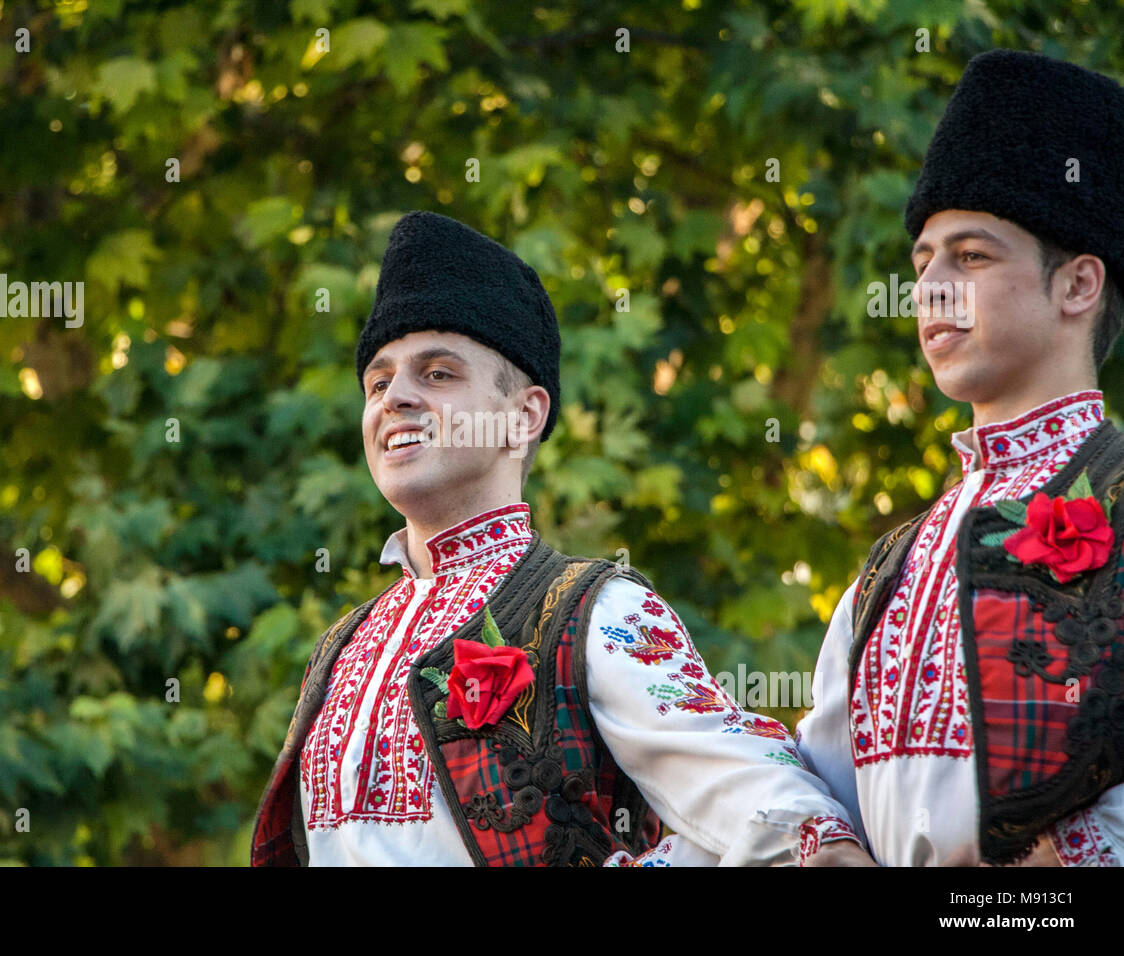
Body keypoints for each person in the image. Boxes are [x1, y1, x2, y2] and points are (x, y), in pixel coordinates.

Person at [251, 210, 862, 865]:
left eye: (437, 373)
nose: (394, 397)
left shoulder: (597, 610)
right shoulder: (340, 649)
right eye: (378, 380)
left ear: (523, 416)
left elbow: (776, 816)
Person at [798, 49, 1124, 867]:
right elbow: (817, 789)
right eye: (922, 262)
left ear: (1077, 285)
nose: (931, 288)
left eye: (972, 256)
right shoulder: (889, 569)